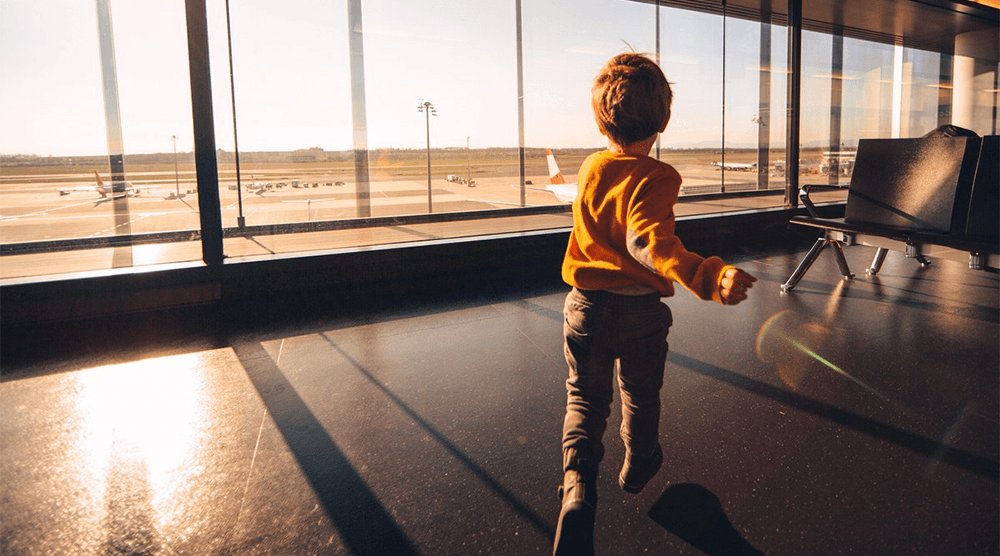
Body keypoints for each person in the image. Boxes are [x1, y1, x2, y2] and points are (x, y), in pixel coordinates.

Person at [553, 52, 757, 556]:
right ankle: (639, 460)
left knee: (584, 398)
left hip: (585, 307)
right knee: (640, 396)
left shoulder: (591, 167)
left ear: (600, 118)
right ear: (664, 121)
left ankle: (577, 487)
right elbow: (649, 242)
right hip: (640, 313)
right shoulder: (658, 176)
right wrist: (708, 276)